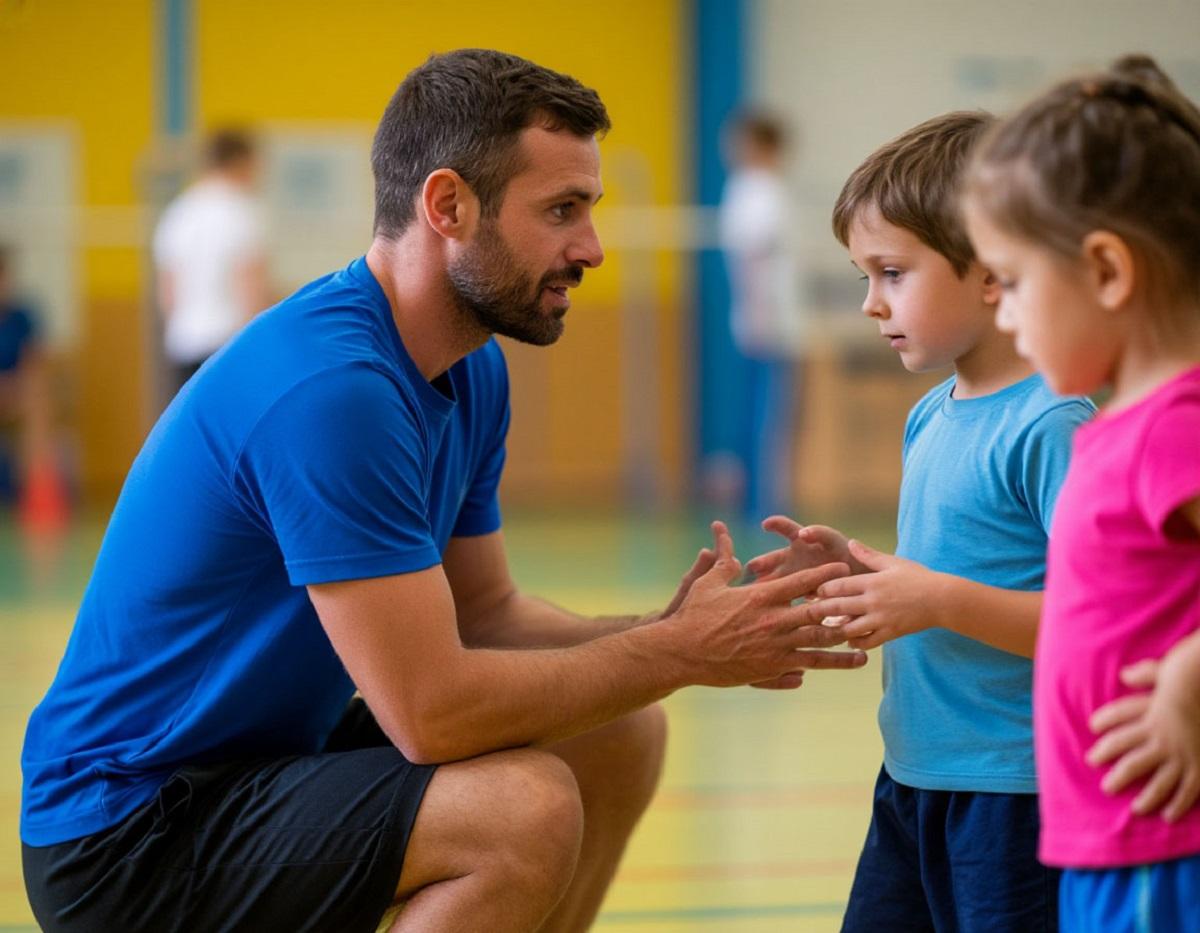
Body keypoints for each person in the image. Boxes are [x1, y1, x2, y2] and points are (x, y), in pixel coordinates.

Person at [20, 49, 868, 933]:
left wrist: (688, 626)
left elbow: (486, 612)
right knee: (520, 810)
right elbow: (431, 715)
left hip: (259, 764)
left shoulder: (471, 368)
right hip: (129, 831)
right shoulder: (334, 390)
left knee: (617, 732)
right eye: (562, 210)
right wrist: (680, 654)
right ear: (448, 206)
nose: (591, 247)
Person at [746, 111, 1096, 931]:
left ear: (994, 272)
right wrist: (858, 571)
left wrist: (936, 599)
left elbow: (1097, 623)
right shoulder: (931, 414)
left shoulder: (1053, 425)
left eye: (893, 273)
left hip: (1016, 794)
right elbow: (954, 570)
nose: (871, 303)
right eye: (865, 275)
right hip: (912, 777)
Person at [963, 54, 1200, 932]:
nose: (1004, 315)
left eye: (1015, 281)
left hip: (1162, 841)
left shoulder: (1176, 426)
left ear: (1106, 270)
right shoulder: (1121, 426)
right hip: (1108, 840)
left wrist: (1189, 678)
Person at [717, 112, 804, 522]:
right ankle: (760, 504)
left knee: (766, 415)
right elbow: (750, 257)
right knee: (764, 415)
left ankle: (761, 502)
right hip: (765, 322)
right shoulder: (755, 190)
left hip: (768, 320)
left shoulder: (763, 190)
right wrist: (757, 315)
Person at [152, 127, 268, 394]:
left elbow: (168, 294)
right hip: (229, 344)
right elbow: (250, 288)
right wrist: (261, 347)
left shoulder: (179, 213)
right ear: (241, 162)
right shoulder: (243, 212)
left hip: (184, 344)